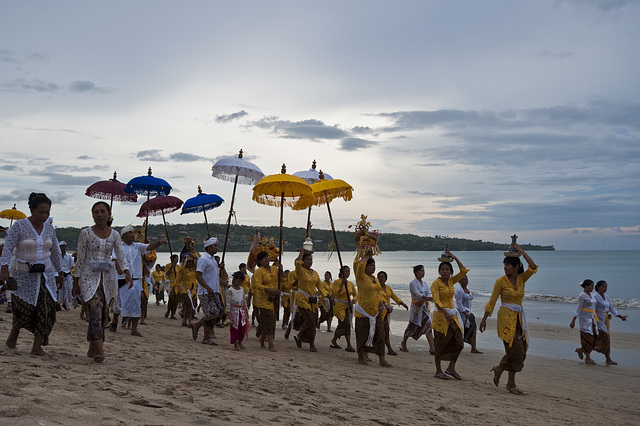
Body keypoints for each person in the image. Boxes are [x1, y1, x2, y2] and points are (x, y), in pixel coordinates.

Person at [0, 192, 64, 355]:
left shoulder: (49, 228)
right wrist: (4, 267)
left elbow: (55, 251)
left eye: (47, 212)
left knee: (47, 309)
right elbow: (7, 248)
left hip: (46, 273)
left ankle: (37, 347)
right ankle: (16, 329)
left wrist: (60, 272)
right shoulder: (19, 226)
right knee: (23, 309)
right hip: (23, 274)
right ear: (31, 210)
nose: (44, 215)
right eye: (40, 212)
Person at [72, 201, 132, 362]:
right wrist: (75, 281)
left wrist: (127, 272)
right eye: (96, 212)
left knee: (104, 313)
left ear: (108, 214)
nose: (99, 214)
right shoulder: (85, 233)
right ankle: (100, 350)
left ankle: (92, 348)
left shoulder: (115, 235)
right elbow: (81, 258)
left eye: (102, 211)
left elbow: (121, 255)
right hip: (88, 277)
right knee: (95, 310)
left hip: (106, 278)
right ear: (92, 215)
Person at [479, 244, 538, 395]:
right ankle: (500, 369)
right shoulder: (500, 281)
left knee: (522, 351)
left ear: (516, 267)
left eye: (508, 265)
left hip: (519, 318)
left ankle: (510, 382)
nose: (505, 268)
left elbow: (533, 267)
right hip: (506, 318)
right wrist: (484, 319)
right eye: (504, 265)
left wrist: (521, 251)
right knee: (514, 350)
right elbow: (492, 301)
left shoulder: (521, 279)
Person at [110, 225, 165, 336]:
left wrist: (159, 243)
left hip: (136, 279)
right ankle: (115, 321)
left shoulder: (137, 246)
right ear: (124, 235)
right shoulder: (118, 246)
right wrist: (119, 268)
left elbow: (149, 247)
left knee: (136, 303)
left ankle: (134, 329)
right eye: (130, 233)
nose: (133, 235)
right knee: (119, 304)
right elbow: (115, 259)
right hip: (122, 278)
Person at [431, 251, 469, 380]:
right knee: (440, 343)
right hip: (441, 316)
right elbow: (436, 300)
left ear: (450, 271)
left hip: (452, 315)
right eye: (442, 269)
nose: (444, 271)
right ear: (439, 271)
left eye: (447, 269)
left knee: (459, 342)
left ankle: (451, 367)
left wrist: (455, 257)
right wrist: (445, 312)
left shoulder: (452, 281)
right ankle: (438, 370)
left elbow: (463, 271)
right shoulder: (436, 283)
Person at [353, 252, 390, 367]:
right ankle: (360, 357)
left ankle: (382, 359)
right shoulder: (361, 277)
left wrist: (382, 304)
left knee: (380, 334)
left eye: (374, 265)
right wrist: (367, 255)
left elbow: (378, 293)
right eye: (370, 265)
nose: (373, 268)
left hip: (376, 311)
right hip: (363, 311)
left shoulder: (375, 279)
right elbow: (358, 265)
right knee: (362, 335)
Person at [191, 237, 224, 345]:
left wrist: (224, 283)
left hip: (214, 291)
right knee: (211, 313)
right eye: (215, 246)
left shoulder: (213, 260)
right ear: (209, 247)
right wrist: (207, 288)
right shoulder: (203, 259)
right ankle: (205, 337)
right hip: (206, 292)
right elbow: (198, 275)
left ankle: (198, 325)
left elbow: (215, 275)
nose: (216, 248)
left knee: (218, 312)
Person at [400, 264, 435, 354]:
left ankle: (432, 348)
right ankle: (404, 343)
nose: (423, 272)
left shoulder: (425, 284)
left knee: (428, 326)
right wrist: (428, 298)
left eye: (423, 271)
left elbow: (427, 294)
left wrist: (431, 298)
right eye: (421, 271)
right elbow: (417, 295)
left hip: (423, 308)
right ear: (416, 272)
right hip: (416, 309)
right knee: (411, 326)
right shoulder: (413, 283)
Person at [292, 249, 322, 352]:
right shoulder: (300, 271)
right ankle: (300, 335)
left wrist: (327, 295)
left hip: (313, 300)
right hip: (302, 299)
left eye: (311, 260)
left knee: (314, 322)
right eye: (308, 259)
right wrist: (302, 252)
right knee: (309, 320)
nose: (310, 261)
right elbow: (298, 262)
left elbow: (320, 286)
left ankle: (311, 344)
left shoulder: (315, 273)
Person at [593, 280, 628, 365]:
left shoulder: (606, 296)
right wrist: (593, 321)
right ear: (598, 287)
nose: (605, 288)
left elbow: (611, 308)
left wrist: (620, 316)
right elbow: (592, 309)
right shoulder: (595, 296)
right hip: (597, 320)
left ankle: (584, 350)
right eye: (603, 286)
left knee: (602, 339)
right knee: (605, 338)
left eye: (606, 286)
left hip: (605, 320)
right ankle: (608, 358)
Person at [252, 251, 281, 351]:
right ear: (260, 261)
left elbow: (282, 278)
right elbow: (258, 286)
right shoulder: (259, 272)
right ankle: (271, 345)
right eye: (264, 258)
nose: (267, 259)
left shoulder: (274, 269)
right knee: (268, 320)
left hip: (273, 300)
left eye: (267, 257)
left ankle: (262, 339)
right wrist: (272, 290)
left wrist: (281, 271)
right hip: (263, 299)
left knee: (270, 320)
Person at [570, 279, 603, 365]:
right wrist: (573, 320)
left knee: (595, 338)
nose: (592, 288)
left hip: (592, 318)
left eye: (593, 286)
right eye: (591, 286)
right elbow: (578, 308)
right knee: (587, 338)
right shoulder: (582, 296)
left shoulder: (592, 295)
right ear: (586, 286)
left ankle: (581, 350)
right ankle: (587, 358)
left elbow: (595, 306)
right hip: (584, 319)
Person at [378, 270, 408, 356]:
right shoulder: (376, 288)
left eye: (382, 277)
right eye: (379, 277)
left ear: (386, 279)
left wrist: (402, 303)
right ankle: (388, 349)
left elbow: (394, 296)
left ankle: (388, 349)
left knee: (386, 331)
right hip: (379, 312)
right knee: (382, 331)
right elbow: (379, 298)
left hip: (386, 313)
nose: (380, 279)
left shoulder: (388, 288)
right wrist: (386, 305)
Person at [330, 265, 357, 352]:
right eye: (346, 271)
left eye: (349, 271)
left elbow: (356, 295)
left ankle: (334, 340)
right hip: (339, 306)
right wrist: (342, 284)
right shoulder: (336, 282)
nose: (348, 273)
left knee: (343, 325)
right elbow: (336, 292)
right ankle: (348, 344)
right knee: (346, 324)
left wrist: (353, 301)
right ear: (341, 273)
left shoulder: (351, 284)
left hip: (347, 307)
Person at [455, 276, 482, 353]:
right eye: (463, 279)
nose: (465, 281)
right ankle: (457, 346)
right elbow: (459, 303)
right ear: (459, 281)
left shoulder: (468, 290)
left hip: (469, 312)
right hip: (462, 313)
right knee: (461, 330)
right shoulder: (459, 290)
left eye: (466, 279)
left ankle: (473, 348)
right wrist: (464, 312)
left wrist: (468, 313)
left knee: (472, 328)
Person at [227, 271, 249, 350]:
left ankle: (240, 341)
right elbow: (228, 302)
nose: (240, 283)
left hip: (241, 310)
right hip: (234, 311)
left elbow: (244, 301)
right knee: (234, 327)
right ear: (234, 280)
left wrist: (246, 310)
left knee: (242, 327)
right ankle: (235, 343)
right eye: (238, 280)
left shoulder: (242, 290)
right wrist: (228, 313)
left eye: (241, 281)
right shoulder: (230, 290)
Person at [175, 257, 197, 329]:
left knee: (189, 306)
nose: (190, 263)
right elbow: (178, 280)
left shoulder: (194, 270)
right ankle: (190, 321)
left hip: (193, 291)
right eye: (188, 262)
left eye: (191, 262)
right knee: (189, 304)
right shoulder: (182, 270)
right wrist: (175, 289)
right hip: (185, 290)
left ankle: (184, 320)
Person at [57, 241, 75, 310]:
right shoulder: (57, 256)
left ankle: (65, 303)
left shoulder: (69, 256)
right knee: (60, 290)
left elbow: (72, 266)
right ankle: (63, 304)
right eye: (61, 246)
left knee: (69, 289)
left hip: (67, 274)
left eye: (64, 246)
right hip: (60, 274)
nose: (63, 248)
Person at [164, 254, 180, 319]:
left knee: (176, 300)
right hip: (170, 283)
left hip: (177, 284)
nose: (177, 260)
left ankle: (173, 314)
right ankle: (168, 311)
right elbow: (167, 274)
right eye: (176, 258)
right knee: (171, 299)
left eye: (177, 258)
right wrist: (171, 267)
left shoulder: (178, 267)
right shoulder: (168, 265)